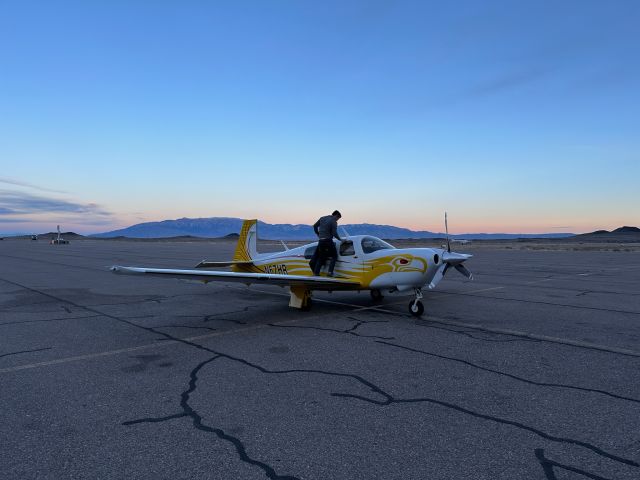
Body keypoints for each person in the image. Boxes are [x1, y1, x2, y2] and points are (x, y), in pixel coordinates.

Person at [310, 210, 342, 276]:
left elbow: (315, 226)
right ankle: (330, 272)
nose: (337, 220)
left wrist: (318, 234)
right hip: (328, 241)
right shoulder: (333, 221)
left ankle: (316, 273)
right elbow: (334, 233)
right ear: (336, 215)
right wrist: (340, 239)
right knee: (334, 256)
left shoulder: (322, 218)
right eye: (338, 218)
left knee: (321, 257)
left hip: (321, 241)